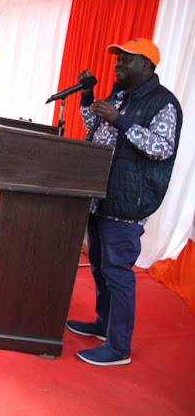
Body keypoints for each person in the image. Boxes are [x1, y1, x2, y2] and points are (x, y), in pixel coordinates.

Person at [66, 38, 182, 366]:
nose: (118, 65)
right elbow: (95, 129)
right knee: (101, 267)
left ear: (147, 65)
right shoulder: (119, 96)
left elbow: (161, 148)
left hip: (128, 199)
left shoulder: (163, 103)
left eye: (126, 60)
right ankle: (103, 325)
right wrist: (88, 96)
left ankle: (119, 347)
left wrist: (121, 120)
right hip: (98, 194)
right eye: (117, 60)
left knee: (118, 272)